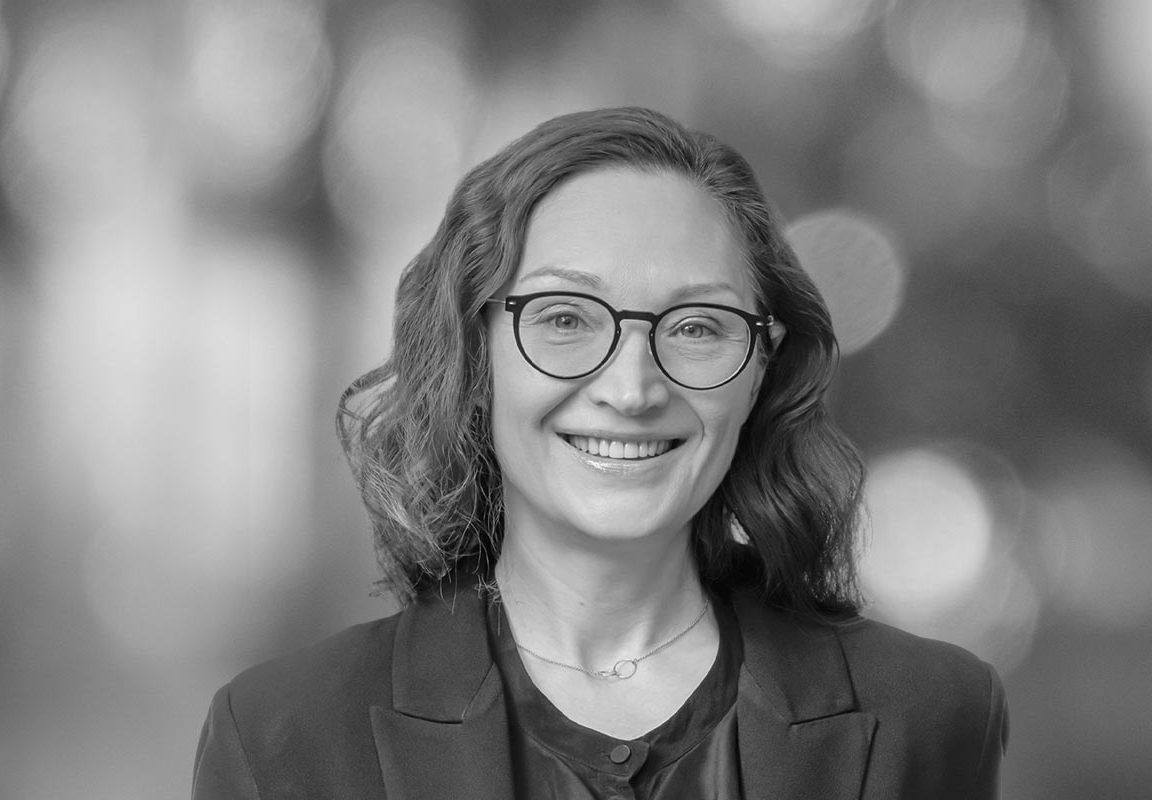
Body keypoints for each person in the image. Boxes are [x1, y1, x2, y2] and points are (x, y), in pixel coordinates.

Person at [192, 107, 1007, 799]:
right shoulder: (280, 736)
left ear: (762, 366)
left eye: (697, 327)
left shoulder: (933, 716)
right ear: (475, 354)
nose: (632, 388)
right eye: (565, 318)